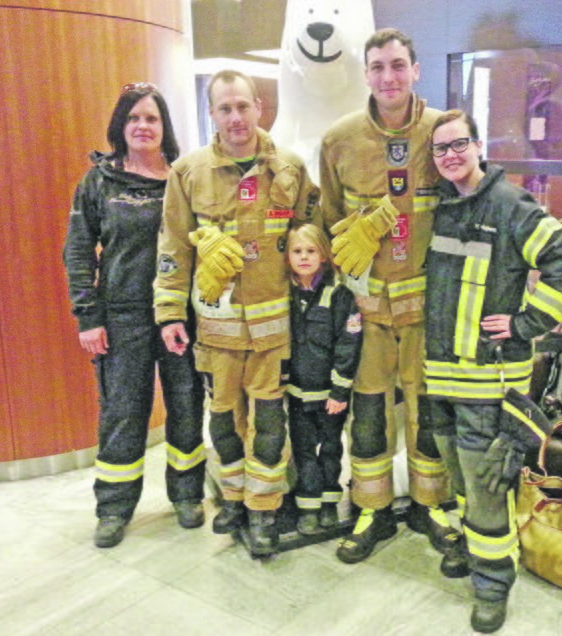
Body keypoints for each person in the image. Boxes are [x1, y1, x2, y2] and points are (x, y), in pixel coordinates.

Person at [425, 109, 562, 633]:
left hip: (489, 384)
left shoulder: (509, 204)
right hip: (441, 379)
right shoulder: (444, 206)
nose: (450, 154)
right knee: (460, 478)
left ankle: (494, 584)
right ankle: (476, 553)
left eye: (458, 144)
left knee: (487, 484)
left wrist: (525, 323)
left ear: (478, 146)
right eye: (440, 148)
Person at [153, 70, 320, 557]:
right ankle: (234, 500)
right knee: (224, 422)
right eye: (224, 108)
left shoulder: (288, 168)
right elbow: (172, 248)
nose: (235, 117)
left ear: (258, 108)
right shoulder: (187, 173)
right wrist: (169, 312)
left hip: (274, 334)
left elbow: (311, 236)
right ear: (212, 114)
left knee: (269, 424)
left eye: (243, 106)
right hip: (217, 333)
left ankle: (264, 508)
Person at [319, 27, 456, 564]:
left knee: (429, 410)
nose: (389, 77)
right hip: (369, 313)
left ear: (415, 69)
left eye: (398, 65)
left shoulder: (443, 132)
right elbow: (330, 220)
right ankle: (372, 508)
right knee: (369, 411)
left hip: (428, 313)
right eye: (378, 67)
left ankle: (431, 504)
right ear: (367, 74)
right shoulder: (340, 139)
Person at [63, 82, 206, 549]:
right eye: (134, 118)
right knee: (124, 413)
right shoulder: (98, 181)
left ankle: (187, 495)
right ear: (120, 127)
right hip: (122, 316)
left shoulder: (183, 178)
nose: (143, 126)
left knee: (186, 405)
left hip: (180, 315)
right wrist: (88, 316)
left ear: (165, 128)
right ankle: (114, 508)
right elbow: (79, 250)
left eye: (152, 118)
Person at [286, 224, 363, 535]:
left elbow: (348, 342)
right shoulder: (284, 294)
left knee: (330, 448)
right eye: (297, 251)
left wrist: (340, 391)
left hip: (330, 394)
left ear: (323, 255)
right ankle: (308, 505)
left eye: (311, 251)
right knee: (303, 448)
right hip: (297, 391)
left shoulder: (339, 294)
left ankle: (329, 502)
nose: (304, 257)